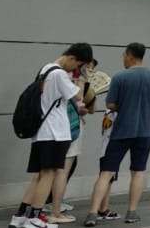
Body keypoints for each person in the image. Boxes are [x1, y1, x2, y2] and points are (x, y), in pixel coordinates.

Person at [81, 43, 150, 226]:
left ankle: (93, 213)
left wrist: (125, 106)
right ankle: (132, 212)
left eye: (124, 55)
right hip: (144, 132)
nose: (123, 58)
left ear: (129, 56)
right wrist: (145, 105)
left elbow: (110, 104)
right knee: (138, 172)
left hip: (120, 132)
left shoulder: (120, 77)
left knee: (106, 172)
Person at [10, 42, 92, 228]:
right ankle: (35, 218)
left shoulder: (46, 69)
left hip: (41, 132)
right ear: (72, 58)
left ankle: (20, 216)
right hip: (56, 132)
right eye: (78, 65)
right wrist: (79, 79)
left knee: (39, 176)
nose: (77, 69)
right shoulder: (60, 74)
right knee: (49, 175)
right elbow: (78, 96)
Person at [45, 59, 99, 224]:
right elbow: (90, 105)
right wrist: (88, 92)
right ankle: (55, 208)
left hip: (51, 128)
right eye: (89, 66)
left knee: (48, 171)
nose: (91, 70)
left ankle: (39, 209)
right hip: (71, 128)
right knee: (63, 169)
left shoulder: (54, 74)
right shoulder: (78, 80)